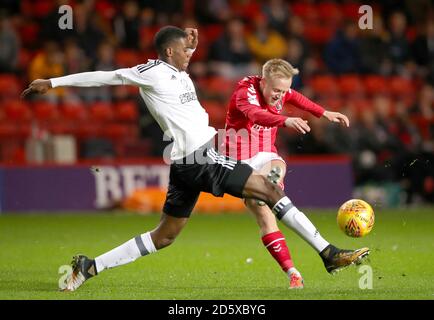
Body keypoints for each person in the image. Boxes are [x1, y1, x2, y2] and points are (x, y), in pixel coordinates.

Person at [21, 26, 369, 292]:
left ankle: (89, 266)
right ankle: (328, 253)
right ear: (169, 51)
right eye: (184, 50)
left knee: (165, 236)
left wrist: (192, 47)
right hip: (201, 159)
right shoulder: (151, 73)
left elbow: (185, 62)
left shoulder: (178, 71)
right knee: (269, 191)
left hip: (184, 165)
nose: (190, 53)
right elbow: (106, 76)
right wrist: (53, 82)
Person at [222, 58, 359, 287]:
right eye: (276, 90)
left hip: (265, 154)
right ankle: (292, 271)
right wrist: (286, 120)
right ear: (263, 81)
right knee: (264, 216)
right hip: (238, 162)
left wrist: (323, 113)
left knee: (277, 168)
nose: (279, 95)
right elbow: (256, 116)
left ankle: (326, 255)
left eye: (283, 90)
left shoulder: (280, 90)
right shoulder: (244, 92)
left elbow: (294, 97)